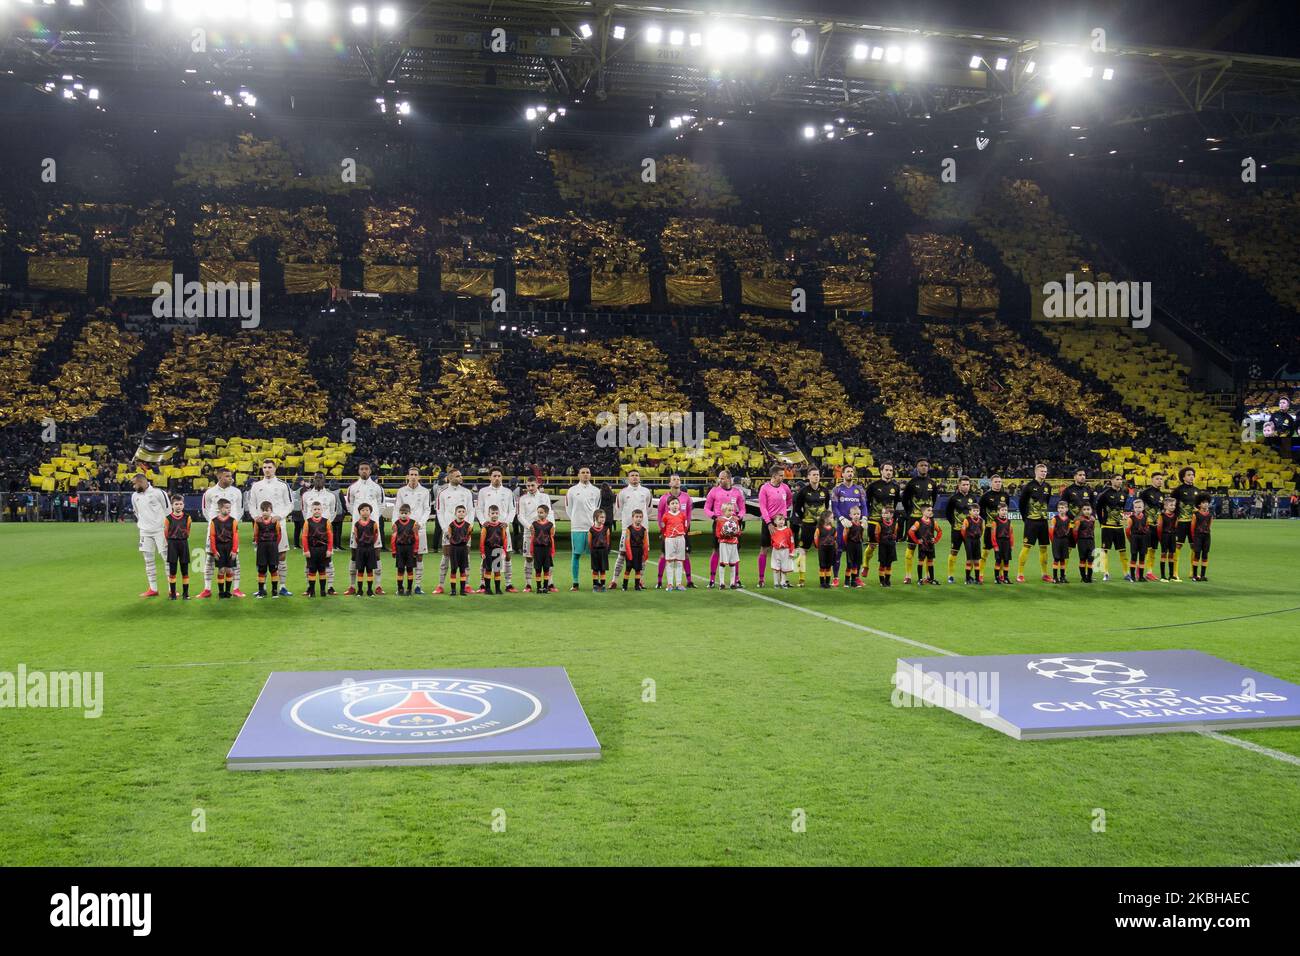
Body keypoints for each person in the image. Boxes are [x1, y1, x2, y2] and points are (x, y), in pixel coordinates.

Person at [248, 459, 294, 596]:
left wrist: (280, 516)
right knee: (262, 557)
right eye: (264, 467)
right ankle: (262, 588)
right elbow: (251, 504)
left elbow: (290, 504)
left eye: (269, 467)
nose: (267, 469)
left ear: (275, 469)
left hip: (279, 524)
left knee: (281, 555)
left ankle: (282, 586)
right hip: (261, 526)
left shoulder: (282, 485)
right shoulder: (256, 486)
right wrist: (256, 517)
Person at [200, 468, 245, 598]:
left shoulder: (237, 492)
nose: (231, 478)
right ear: (219, 477)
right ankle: (207, 589)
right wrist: (217, 524)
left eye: (231, 476)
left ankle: (236, 588)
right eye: (227, 476)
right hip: (215, 529)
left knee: (235, 558)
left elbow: (240, 509)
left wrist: (231, 522)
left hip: (232, 530)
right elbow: (205, 510)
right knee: (209, 558)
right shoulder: (210, 492)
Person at [346, 462, 386, 595]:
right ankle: (352, 586)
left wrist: (371, 519)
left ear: (370, 471)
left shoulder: (377, 488)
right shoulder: (352, 487)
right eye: (361, 469)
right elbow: (350, 506)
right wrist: (359, 518)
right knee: (353, 554)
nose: (364, 471)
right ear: (358, 470)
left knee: (377, 554)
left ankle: (378, 585)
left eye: (366, 469)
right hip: (357, 527)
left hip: (372, 527)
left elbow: (381, 505)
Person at [130, 472, 171, 598]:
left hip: (160, 530)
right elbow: (137, 513)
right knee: (148, 560)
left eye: (134, 484)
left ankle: (172, 588)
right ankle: (153, 589)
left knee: (167, 559)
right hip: (144, 532)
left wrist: (168, 529)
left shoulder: (159, 493)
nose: (133, 487)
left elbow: (168, 511)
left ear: (142, 482)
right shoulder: (134, 496)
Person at [476, 468, 517, 592]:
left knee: (507, 556)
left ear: (502, 477)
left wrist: (507, 522)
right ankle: (483, 584)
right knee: (486, 557)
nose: (497, 478)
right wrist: (483, 522)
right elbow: (479, 509)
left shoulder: (508, 492)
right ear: (490, 477)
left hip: (502, 529)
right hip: (488, 529)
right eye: (494, 476)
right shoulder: (483, 492)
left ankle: (508, 584)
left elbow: (513, 509)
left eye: (499, 475)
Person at [611, 471, 654, 586]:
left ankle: (640, 579)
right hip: (627, 529)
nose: (634, 477)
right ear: (628, 478)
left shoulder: (646, 492)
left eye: (636, 475)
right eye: (632, 476)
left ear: (639, 478)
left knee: (643, 554)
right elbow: (618, 510)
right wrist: (627, 523)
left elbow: (648, 509)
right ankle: (614, 580)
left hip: (643, 529)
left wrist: (640, 522)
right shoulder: (623, 493)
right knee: (622, 554)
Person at [704, 470, 746, 588]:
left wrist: (739, 517)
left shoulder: (737, 492)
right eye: (720, 478)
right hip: (719, 524)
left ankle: (736, 580)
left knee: (735, 552)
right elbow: (707, 508)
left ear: (728, 479)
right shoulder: (714, 491)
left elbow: (742, 509)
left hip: (733, 525)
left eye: (722, 478)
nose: (720, 480)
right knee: (716, 551)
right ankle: (712, 580)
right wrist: (715, 517)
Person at [435, 469, 474, 594]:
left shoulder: (467, 492)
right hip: (449, 531)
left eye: (461, 475)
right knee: (445, 557)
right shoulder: (443, 493)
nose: (461, 477)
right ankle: (440, 585)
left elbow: (471, 510)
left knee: (466, 557)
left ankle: (466, 584)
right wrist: (445, 528)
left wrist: (470, 527)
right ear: (450, 478)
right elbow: (440, 512)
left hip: (464, 531)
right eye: (458, 476)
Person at [395, 467, 432, 595]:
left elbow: (427, 509)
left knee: (419, 557)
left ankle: (417, 585)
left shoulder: (425, 491)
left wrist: (420, 523)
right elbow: (397, 508)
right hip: (403, 529)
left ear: (419, 477)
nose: (413, 476)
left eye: (416, 474)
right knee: (402, 558)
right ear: (407, 476)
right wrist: (396, 523)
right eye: (411, 474)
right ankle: (400, 586)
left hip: (419, 529)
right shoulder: (401, 491)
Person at [565, 467, 602, 591]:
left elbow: (597, 508)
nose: (585, 475)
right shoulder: (572, 490)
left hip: (593, 528)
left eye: (587, 473)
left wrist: (593, 522)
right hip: (577, 527)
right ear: (578, 475)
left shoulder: (596, 491)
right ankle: (575, 583)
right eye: (583, 473)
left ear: (590, 475)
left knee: (595, 555)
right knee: (576, 555)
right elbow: (568, 509)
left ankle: (595, 582)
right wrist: (576, 520)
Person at [830, 466, 867, 587]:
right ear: (842, 474)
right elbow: (834, 507)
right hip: (842, 526)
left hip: (856, 527)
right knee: (838, 551)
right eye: (848, 472)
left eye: (852, 471)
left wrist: (865, 518)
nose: (850, 474)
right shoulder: (837, 489)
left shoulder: (859, 489)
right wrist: (841, 518)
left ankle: (855, 578)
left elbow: (864, 506)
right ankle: (835, 577)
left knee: (856, 553)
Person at [1016, 462, 1053, 584]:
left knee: (1044, 548)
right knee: (1027, 546)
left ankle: (1044, 574)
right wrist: (1025, 518)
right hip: (1031, 521)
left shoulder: (1048, 487)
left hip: (1043, 521)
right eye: (1042, 471)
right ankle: (1020, 574)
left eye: (1045, 471)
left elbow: (1046, 502)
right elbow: (1022, 503)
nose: (1044, 473)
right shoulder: (1029, 486)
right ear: (1036, 472)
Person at [301, 473, 338, 594]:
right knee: (309, 562)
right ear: (313, 479)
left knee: (329, 561)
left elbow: (333, 512)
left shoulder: (331, 496)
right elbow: (304, 511)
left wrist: (323, 525)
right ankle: (309, 587)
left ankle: (330, 587)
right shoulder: (306, 495)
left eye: (320, 478)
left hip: (324, 532)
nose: (318, 480)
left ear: (324, 480)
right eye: (316, 478)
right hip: (310, 532)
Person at [902, 459, 937, 584]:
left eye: (926, 465)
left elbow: (934, 499)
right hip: (914, 519)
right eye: (921, 465)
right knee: (911, 547)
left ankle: (928, 576)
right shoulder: (912, 483)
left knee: (928, 549)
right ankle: (908, 576)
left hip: (927, 522)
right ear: (917, 467)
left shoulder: (932, 483)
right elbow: (905, 500)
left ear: (928, 467)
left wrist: (928, 514)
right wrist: (910, 513)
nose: (924, 467)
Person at [656, 474, 695, 589]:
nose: (677, 481)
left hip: (683, 532)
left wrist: (686, 529)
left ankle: (689, 581)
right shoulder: (664, 498)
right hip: (668, 533)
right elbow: (660, 515)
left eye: (678, 479)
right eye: (674, 479)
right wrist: (662, 530)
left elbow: (688, 515)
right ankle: (659, 581)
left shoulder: (687, 497)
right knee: (664, 556)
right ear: (669, 483)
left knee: (685, 556)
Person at [757, 465, 793, 589]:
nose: (783, 477)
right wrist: (769, 523)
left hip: (782, 523)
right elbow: (762, 507)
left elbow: (789, 499)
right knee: (765, 549)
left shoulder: (785, 487)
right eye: (781, 475)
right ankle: (761, 579)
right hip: (770, 522)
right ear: (774, 476)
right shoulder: (764, 488)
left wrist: (783, 513)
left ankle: (784, 580)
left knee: (784, 550)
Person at [1171, 467, 1210, 581]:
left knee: (1194, 547)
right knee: (1178, 546)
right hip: (1182, 522)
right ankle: (1175, 572)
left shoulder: (1197, 490)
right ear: (1183, 477)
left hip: (1194, 524)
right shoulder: (1177, 490)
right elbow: (1171, 506)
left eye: (1192, 474)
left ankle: (1192, 572)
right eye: (1188, 474)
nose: (1191, 476)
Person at [865, 462, 901, 579]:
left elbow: (894, 504)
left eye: (891, 470)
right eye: (886, 470)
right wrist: (866, 516)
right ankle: (866, 564)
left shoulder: (895, 487)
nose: (889, 472)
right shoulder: (873, 485)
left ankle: (884, 573)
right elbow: (866, 502)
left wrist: (892, 518)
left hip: (888, 522)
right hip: (874, 520)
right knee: (872, 546)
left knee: (886, 547)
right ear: (881, 471)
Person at [517, 477, 551, 592]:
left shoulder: (544, 497)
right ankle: (528, 584)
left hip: (545, 531)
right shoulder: (523, 499)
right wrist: (529, 526)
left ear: (538, 485)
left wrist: (552, 527)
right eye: (528, 486)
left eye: (532, 485)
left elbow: (550, 512)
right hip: (529, 532)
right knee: (529, 557)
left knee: (547, 558)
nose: (530, 488)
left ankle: (549, 584)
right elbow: (520, 515)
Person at [944, 476, 977, 584]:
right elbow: (948, 513)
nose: (966, 486)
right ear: (959, 485)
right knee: (954, 552)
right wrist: (954, 523)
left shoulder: (973, 498)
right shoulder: (953, 498)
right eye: (964, 484)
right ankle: (950, 575)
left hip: (969, 531)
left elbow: (976, 514)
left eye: (967, 485)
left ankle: (968, 576)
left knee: (970, 555)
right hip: (957, 530)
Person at [1096, 474, 1128, 583]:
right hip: (1107, 526)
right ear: (1111, 481)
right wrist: (1101, 522)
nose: (1120, 481)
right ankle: (1105, 573)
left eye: (1121, 479)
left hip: (1119, 527)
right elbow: (1098, 508)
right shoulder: (1104, 494)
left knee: (1123, 550)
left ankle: (1126, 573)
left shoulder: (1124, 493)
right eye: (1117, 479)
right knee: (1105, 550)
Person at [978, 475, 1010, 583]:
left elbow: (1006, 509)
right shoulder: (986, 496)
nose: (998, 483)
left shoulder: (1005, 495)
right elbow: (980, 509)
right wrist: (988, 519)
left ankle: (1001, 575)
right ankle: (980, 574)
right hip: (989, 528)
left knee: (1001, 555)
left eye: (1000, 481)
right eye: (996, 481)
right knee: (985, 552)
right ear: (991, 483)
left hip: (1001, 529)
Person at [301, 499, 334, 597]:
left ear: (322, 510)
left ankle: (323, 591)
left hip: (323, 550)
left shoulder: (326, 522)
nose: (317, 511)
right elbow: (304, 537)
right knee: (312, 570)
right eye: (315, 509)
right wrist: (306, 550)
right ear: (311, 510)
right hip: (312, 550)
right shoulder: (307, 522)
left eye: (318, 509)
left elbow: (330, 536)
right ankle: (312, 591)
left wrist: (329, 549)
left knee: (322, 570)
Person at [1136, 472, 1166, 581]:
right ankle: (1139, 571)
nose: (1160, 481)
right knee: (1144, 549)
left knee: (1153, 549)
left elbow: (1161, 510)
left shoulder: (1162, 495)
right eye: (1157, 478)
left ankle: (1149, 572)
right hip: (1146, 526)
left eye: (1161, 479)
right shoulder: (1145, 493)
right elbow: (1139, 508)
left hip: (1156, 526)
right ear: (1152, 480)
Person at [208, 497, 239, 599]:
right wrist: (214, 551)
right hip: (219, 547)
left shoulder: (233, 521)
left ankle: (228, 591)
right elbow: (212, 536)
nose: (228, 510)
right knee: (221, 570)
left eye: (229, 508)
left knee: (229, 570)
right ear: (220, 508)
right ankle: (221, 592)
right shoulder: (214, 521)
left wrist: (234, 550)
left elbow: (235, 536)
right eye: (226, 508)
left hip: (230, 547)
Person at [163, 494, 192, 600]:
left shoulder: (187, 517)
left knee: (185, 571)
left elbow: (188, 531)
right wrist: (170, 542)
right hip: (172, 544)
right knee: (172, 571)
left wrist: (182, 538)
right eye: (176, 504)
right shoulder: (168, 519)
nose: (178, 506)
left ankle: (185, 594)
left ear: (183, 505)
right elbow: (166, 533)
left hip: (183, 544)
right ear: (172, 505)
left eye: (180, 504)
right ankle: (173, 594)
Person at [252, 501, 283, 598]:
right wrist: (260, 544)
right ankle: (261, 591)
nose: (265, 512)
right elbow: (256, 535)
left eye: (267, 510)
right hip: (262, 547)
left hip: (273, 547)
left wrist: (274, 544)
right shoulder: (258, 522)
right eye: (263, 510)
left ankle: (274, 591)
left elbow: (279, 535)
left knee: (273, 569)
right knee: (262, 569)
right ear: (261, 511)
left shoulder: (275, 521)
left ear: (271, 511)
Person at [478, 504, 511, 595]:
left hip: (498, 550)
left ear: (499, 514)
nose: (495, 515)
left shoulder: (502, 526)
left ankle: (498, 589)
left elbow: (504, 539)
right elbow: (482, 540)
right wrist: (482, 552)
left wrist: (504, 550)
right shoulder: (486, 526)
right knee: (488, 569)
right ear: (489, 514)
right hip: (488, 549)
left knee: (497, 570)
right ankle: (487, 589)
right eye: (492, 513)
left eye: (496, 513)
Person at [907, 504, 942, 586]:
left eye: (931, 510)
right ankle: (920, 579)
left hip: (930, 545)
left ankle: (932, 579)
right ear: (923, 512)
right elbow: (910, 532)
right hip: (922, 546)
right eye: (928, 510)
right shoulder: (918, 522)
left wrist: (936, 539)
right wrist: (917, 541)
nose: (931, 512)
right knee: (921, 562)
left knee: (930, 561)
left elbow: (940, 531)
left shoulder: (934, 522)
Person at [351, 502, 382, 597]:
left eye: (367, 510)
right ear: (359, 512)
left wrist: (370, 544)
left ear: (370, 512)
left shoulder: (374, 524)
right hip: (360, 549)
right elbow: (356, 537)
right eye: (363, 510)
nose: (365, 512)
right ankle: (359, 590)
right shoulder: (356, 524)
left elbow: (376, 536)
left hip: (370, 549)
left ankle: (369, 590)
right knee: (360, 570)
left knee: (369, 570)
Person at [390, 503, 419, 596]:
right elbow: (393, 538)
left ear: (409, 513)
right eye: (402, 513)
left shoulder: (414, 523)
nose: (403, 515)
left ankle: (409, 589)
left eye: (405, 513)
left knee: (410, 569)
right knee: (400, 569)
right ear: (399, 513)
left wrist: (415, 550)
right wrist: (394, 550)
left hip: (410, 548)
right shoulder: (396, 524)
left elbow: (416, 537)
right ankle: (400, 588)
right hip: (400, 549)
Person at [445, 503, 473, 596]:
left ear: (465, 514)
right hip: (454, 549)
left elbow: (468, 536)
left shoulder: (468, 526)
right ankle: (453, 590)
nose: (461, 513)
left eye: (463, 512)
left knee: (462, 570)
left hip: (463, 549)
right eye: (459, 512)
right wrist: (455, 542)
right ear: (455, 513)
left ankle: (462, 590)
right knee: (453, 569)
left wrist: (462, 542)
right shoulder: (451, 525)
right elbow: (449, 536)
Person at [715, 501, 743, 589]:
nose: (731, 512)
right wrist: (724, 534)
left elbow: (739, 532)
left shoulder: (735, 520)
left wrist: (736, 533)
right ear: (723, 511)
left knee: (732, 563)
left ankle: (732, 583)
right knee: (723, 563)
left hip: (733, 544)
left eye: (732, 510)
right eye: (729, 510)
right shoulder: (720, 520)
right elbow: (717, 533)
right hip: (724, 544)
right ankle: (722, 583)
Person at [530, 504, 556, 594]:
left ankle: (545, 587)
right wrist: (531, 549)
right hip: (537, 550)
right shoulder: (534, 524)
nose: (539, 514)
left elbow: (552, 538)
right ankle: (538, 587)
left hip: (546, 550)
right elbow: (532, 537)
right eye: (538, 512)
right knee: (537, 569)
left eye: (541, 512)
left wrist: (552, 550)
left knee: (546, 569)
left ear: (546, 513)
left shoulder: (550, 525)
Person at [621, 510, 650, 591]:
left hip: (639, 552)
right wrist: (629, 554)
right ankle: (624, 586)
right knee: (628, 569)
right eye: (636, 517)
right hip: (631, 551)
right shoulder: (629, 529)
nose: (638, 519)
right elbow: (627, 542)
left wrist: (645, 553)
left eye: (640, 517)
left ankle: (637, 586)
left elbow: (645, 542)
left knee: (638, 570)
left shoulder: (644, 530)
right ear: (633, 518)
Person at [1125, 499, 1150, 583]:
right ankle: (1132, 576)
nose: (1138, 509)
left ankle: (1141, 576)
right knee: (1134, 557)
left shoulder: (1146, 518)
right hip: (1134, 539)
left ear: (1143, 508)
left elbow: (1147, 528)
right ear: (1133, 508)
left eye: (1139, 507)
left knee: (1142, 558)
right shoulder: (1130, 518)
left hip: (1143, 539)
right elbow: (1127, 531)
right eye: (1136, 507)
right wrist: (1131, 540)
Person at [1049, 500, 1073, 584]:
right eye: (1059, 508)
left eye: (1062, 508)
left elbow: (1069, 530)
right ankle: (1055, 577)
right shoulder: (1054, 519)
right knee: (1056, 559)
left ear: (1066, 509)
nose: (1060, 509)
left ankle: (1062, 577)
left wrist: (1067, 539)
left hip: (1064, 541)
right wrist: (1053, 541)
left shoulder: (1068, 520)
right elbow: (1051, 531)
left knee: (1063, 559)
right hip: (1056, 540)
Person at [768, 512, 794, 589]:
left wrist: (792, 551)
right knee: (776, 567)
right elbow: (772, 541)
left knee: (784, 568)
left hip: (785, 551)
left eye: (783, 519)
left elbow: (791, 541)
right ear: (775, 522)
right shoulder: (773, 530)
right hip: (776, 551)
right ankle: (776, 583)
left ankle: (783, 582)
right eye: (779, 519)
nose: (782, 521)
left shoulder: (788, 530)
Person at [588, 508, 612, 592]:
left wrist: (605, 549)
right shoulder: (591, 530)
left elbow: (608, 541)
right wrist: (593, 550)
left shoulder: (606, 529)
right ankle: (595, 585)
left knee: (603, 569)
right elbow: (590, 542)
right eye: (601, 517)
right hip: (595, 552)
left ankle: (602, 585)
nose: (603, 519)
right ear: (595, 518)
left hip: (603, 552)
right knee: (595, 569)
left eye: (604, 517)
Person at [1156, 497, 1179, 582]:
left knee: (1172, 555)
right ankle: (1162, 576)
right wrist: (1160, 539)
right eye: (1171, 505)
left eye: (1174, 505)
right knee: (1163, 555)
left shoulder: (1176, 516)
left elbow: (1176, 527)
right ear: (1165, 506)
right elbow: (1159, 528)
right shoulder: (1161, 516)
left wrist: (1176, 536)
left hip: (1172, 536)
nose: (1173, 507)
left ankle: (1171, 575)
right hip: (1164, 536)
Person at [843, 506, 866, 588]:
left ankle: (853, 581)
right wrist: (847, 544)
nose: (856, 515)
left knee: (856, 564)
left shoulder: (861, 524)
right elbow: (845, 536)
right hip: (850, 545)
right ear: (850, 515)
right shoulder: (849, 525)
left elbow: (861, 535)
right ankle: (846, 581)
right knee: (849, 564)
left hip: (858, 545)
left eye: (858, 514)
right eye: (854, 514)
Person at [960, 503, 984, 584]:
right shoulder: (967, 520)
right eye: (974, 511)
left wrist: (979, 536)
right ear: (970, 511)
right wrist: (967, 538)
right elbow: (963, 531)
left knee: (977, 560)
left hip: (977, 541)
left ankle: (977, 579)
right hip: (969, 541)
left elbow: (982, 530)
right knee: (969, 560)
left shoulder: (981, 520)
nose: (976, 512)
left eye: (977, 511)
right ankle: (967, 579)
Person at [813, 511, 838, 589]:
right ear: (825, 519)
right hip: (822, 549)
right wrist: (819, 547)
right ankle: (822, 583)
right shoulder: (819, 528)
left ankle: (827, 582)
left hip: (831, 549)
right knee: (822, 565)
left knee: (828, 566)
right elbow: (816, 538)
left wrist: (835, 547)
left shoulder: (833, 529)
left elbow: (835, 538)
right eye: (831, 517)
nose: (833, 519)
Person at [1073, 504, 1096, 583]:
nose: (1087, 511)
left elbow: (1093, 530)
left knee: (1091, 560)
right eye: (1085, 509)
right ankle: (1083, 577)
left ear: (1091, 510)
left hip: (1091, 541)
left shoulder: (1093, 519)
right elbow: (1075, 532)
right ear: (1082, 511)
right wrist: (1077, 541)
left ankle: (1089, 577)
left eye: (1088, 509)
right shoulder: (1079, 520)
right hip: (1082, 541)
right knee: (1082, 559)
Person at [1190, 500, 1213, 581]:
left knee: (1205, 555)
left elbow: (1209, 526)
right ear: (1199, 504)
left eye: (1207, 502)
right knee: (1197, 555)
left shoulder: (1210, 515)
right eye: (1203, 502)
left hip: (1207, 536)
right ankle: (1194, 575)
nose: (1206, 504)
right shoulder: (1195, 515)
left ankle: (1203, 575)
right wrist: (1194, 539)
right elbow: (1192, 528)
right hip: (1198, 536)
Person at [991, 504, 1014, 584]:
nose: (1004, 512)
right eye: (1002, 510)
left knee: (1006, 561)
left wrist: (1011, 545)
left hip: (1007, 543)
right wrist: (995, 545)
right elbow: (993, 535)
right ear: (998, 511)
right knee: (998, 561)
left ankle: (1006, 578)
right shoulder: (995, 521)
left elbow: (1011, 534)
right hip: (999, 542)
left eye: (1005, 510)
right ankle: (997, 578)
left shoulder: (1009, 521)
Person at [876, 510, 899, 587]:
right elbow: (877, 535)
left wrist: (893, 538)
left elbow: (895, 533)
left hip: (891, 545)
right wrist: (882, 541)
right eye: (883, 513)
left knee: (889, 563)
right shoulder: (879, 524)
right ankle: (882, 581)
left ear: (891, 515)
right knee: (882, 563)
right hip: (883, 546)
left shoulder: (895, 524)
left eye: (886, 513)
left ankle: (887, 580)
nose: (884, 515)